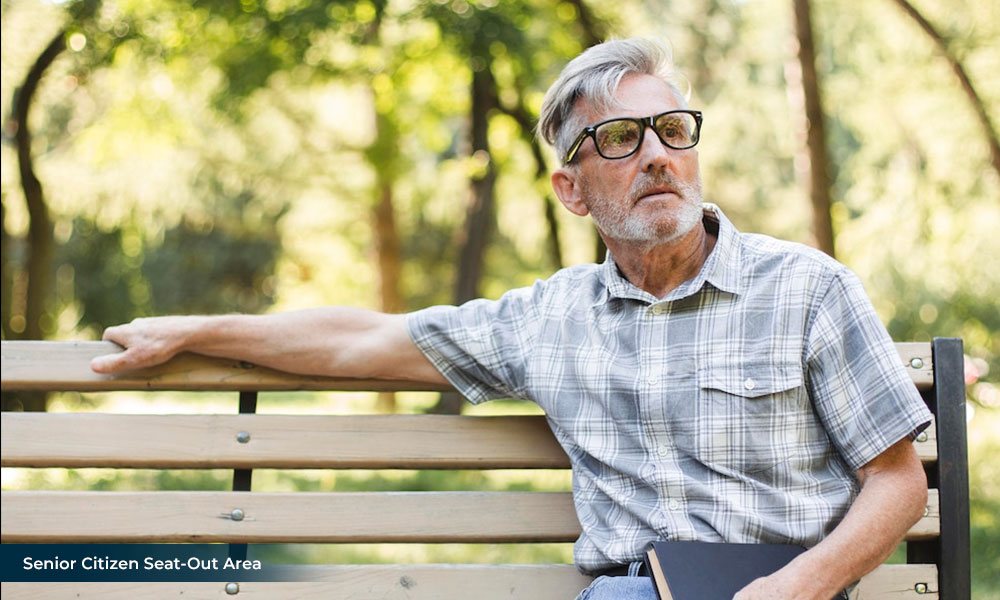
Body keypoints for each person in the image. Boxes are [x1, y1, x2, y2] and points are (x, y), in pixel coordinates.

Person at [91, 38, 932, 600]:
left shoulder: (808, 290)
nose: (656, 155)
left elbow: (898, 481)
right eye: (619, 140)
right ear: (572, 190)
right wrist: (196, 330)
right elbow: (361, 339)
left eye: (672, 130)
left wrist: (797, 589)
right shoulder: (549, 323)